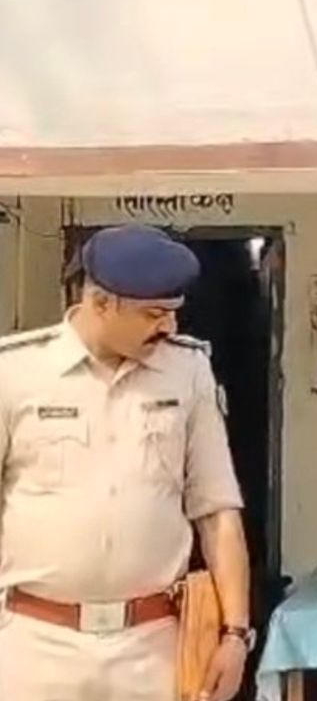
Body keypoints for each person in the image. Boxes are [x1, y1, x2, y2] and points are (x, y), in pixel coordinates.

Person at [0, 224, 252, 701]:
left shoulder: (187, 370)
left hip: (150, 645)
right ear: (100, 303)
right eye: (154, 314)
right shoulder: (14, 371)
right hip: (34, 644)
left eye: (174, 313)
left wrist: (235, 634)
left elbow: (217, 509)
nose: (169, 328)